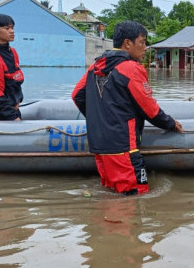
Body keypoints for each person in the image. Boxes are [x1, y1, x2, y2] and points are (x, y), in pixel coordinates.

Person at [72, 20, 183, 195]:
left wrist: (100, 119)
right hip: (123, 146)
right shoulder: (131, 68)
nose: (145, 47)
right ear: (127, 43)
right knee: (136, 195)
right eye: (142, 42)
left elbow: (77, 95)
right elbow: (150, 109)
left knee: (111, 194)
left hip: (99, 146)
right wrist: (170, 123)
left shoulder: (95, 66)